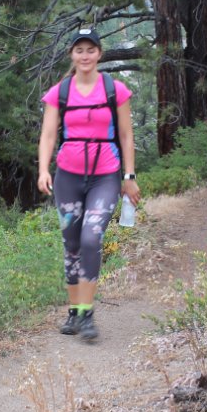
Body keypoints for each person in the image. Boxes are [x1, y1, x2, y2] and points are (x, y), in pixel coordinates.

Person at [37, 28, 140, 342]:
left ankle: (86, 313)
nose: (85, 55)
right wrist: (43, 170)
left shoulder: (115, 90)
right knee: (71, 244)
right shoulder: (60, 92)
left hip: (105, 176)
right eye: (79, 50)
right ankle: (73, 310)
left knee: (91, 238)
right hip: (68, 176)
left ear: (99, 54)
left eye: (90, 50)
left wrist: (129, 177)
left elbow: (125, 136)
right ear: (72, 54)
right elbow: (49, 135)